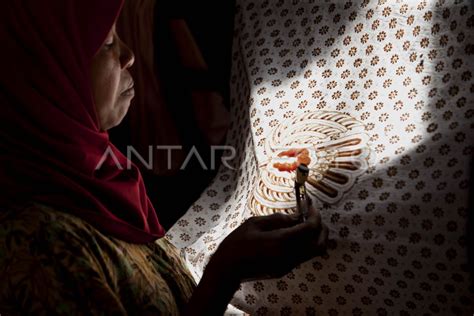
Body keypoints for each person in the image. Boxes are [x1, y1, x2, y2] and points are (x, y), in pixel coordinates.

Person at [0, 1, 328, 315]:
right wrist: (225, 272)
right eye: (107, 43)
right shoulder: (36, 244)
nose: (129, 56)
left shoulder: (103, 181)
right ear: (48, 73)